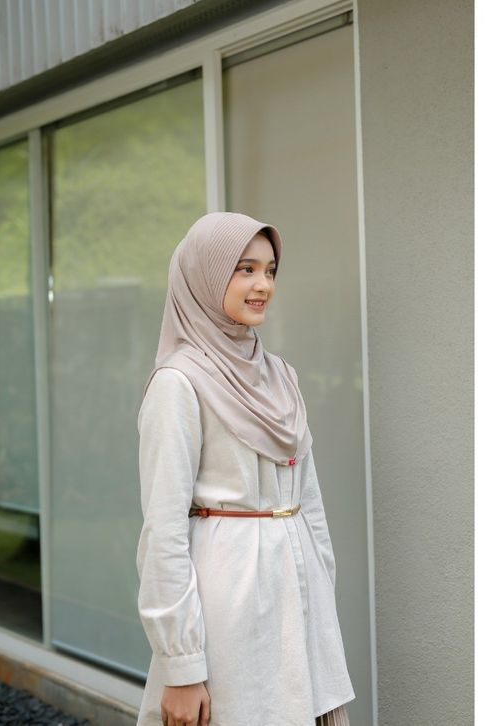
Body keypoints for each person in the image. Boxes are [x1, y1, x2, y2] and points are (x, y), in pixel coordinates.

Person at [135, 212, 355, 726]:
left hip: (299, 601)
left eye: (270, 270)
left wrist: (320, 592)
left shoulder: (281, 376)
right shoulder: (178, 383)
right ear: (206, 276)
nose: (263, 285)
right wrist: (182, 667)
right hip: (229, 606)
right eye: (245, 269)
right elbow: (163, 533)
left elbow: (309, 502)